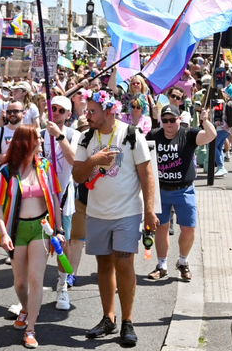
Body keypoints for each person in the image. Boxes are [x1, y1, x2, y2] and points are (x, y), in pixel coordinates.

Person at [73, 90, 156, 347]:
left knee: (124, 265)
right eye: (86, 111)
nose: (87, 115)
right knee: (104, 266)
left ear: (109, 111)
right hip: (97, 213)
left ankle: (127, 321)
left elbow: (147, 175)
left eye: (92, 111)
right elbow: (77, 176)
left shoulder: (131, 135)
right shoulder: (86, 138)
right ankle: (108, 318)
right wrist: (94, 161)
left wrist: (149, 211)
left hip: (127, 212)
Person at [0, 125, 64, 348]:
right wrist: (3, 234)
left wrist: (59, 231)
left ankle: (31, 328)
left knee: (35, 279)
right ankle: (25, 308)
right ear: (26, 143)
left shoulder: (45, 167)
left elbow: (55, 200)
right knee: (20, 282)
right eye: (37, 139)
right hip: (16, 230)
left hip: (41, 229)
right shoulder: (5, 171)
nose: (41, 142)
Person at [146, 104, 216, 282]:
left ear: (179, 119)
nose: (169, 124)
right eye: (165, 120)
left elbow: (211, 135)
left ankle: (183, 262)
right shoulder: (153, 136)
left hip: (184, 190)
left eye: (172, 120)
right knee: (161, 228)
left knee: (188, 228)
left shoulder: (189, 134)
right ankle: (161, 265)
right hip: (161, 190)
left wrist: (205, 121)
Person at [39, 95, 80, 310]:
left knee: (63, 243)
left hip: (64, 198)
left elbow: (74, 160)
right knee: (36, 244)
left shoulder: (74, 134)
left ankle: (62, 285)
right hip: (41, 200)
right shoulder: (39, 135)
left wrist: (60, 136)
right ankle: (30, 291)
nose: (55, 112)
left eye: (60, 110)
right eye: (52, 108)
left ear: (68, 114)